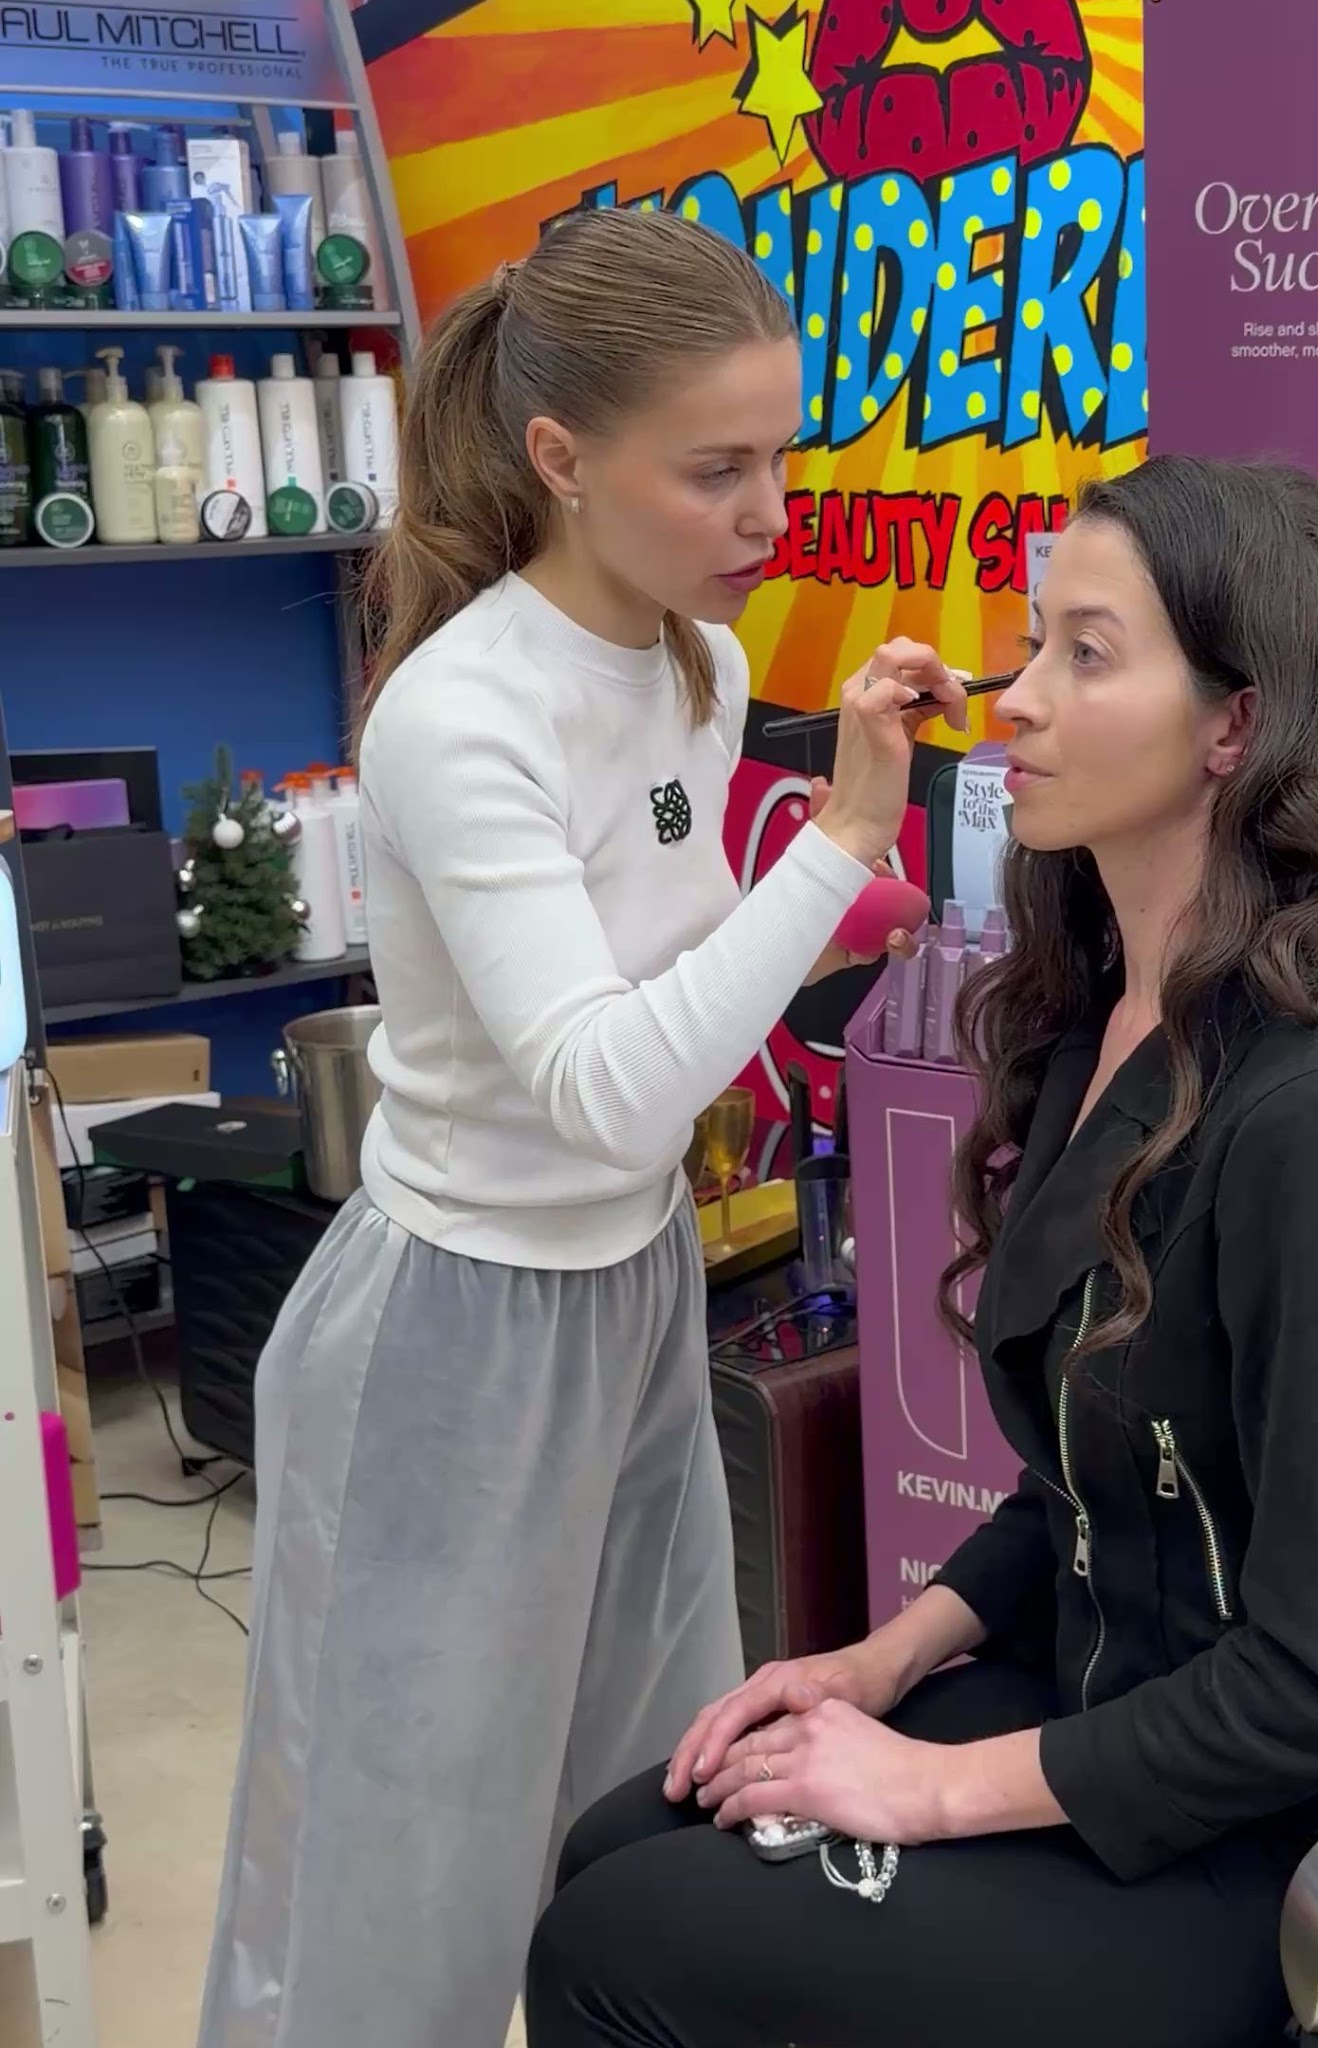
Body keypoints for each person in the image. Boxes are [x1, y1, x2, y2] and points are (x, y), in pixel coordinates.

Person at [524, 456, 1318, 2048]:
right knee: (621, 1841)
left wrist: (932, 1788)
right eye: (1030, 644)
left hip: (1295, 1835)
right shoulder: (1111, 1022)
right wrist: (878, 1664)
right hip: (1113, 1689)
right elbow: (1090, 1476)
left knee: (615, 1948)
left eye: (1087, 653)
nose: (1014, 700)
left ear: (1235, 724)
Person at [196, 208, 966, 2048]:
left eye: (780, 457)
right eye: (715, 470)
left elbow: (658, 987)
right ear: (559, 455)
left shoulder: (697, 665)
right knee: (394, 1887)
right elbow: (604, 1080)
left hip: (629, 1285)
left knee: (648, 1802)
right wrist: (841, 845)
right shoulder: (460, 714)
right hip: (450, 1328)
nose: (767, 512)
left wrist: (820, 911)